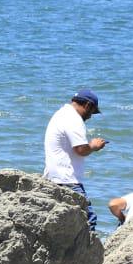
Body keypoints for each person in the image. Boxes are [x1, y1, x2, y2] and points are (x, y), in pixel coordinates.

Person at [42, 89, 108, 232]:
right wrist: (94, 146)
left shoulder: (60, 114)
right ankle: (87, 254)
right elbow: (81, 149)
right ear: (88, 105)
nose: (90, 117)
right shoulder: (74, 119)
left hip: (53, 177)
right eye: (92, 112)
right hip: (67, 180)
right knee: (88, 220)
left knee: (62, 224)